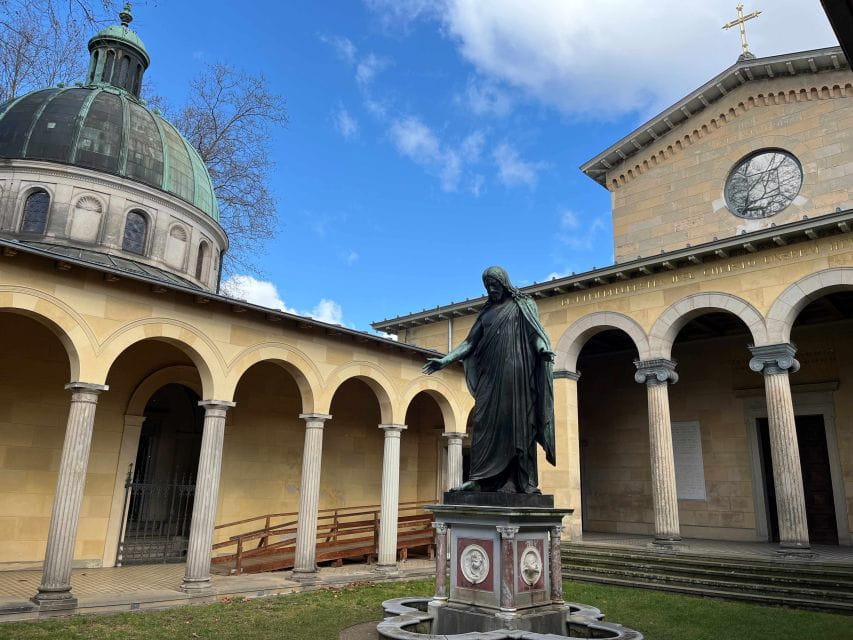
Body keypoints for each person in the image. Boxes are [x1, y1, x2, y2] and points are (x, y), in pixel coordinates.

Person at [423, 266, 555, 494]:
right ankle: (480, 479)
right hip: (490, 377)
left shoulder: (523, 304)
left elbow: (536, 333)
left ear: (504, 283)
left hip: (516, 375)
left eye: (495, 285)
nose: (491, 289)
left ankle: (520, 481)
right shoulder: (486, 314)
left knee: (515, 423)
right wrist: (444, 360)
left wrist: (542, 349)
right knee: (482, 423)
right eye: (488, 286)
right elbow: (469, 343)